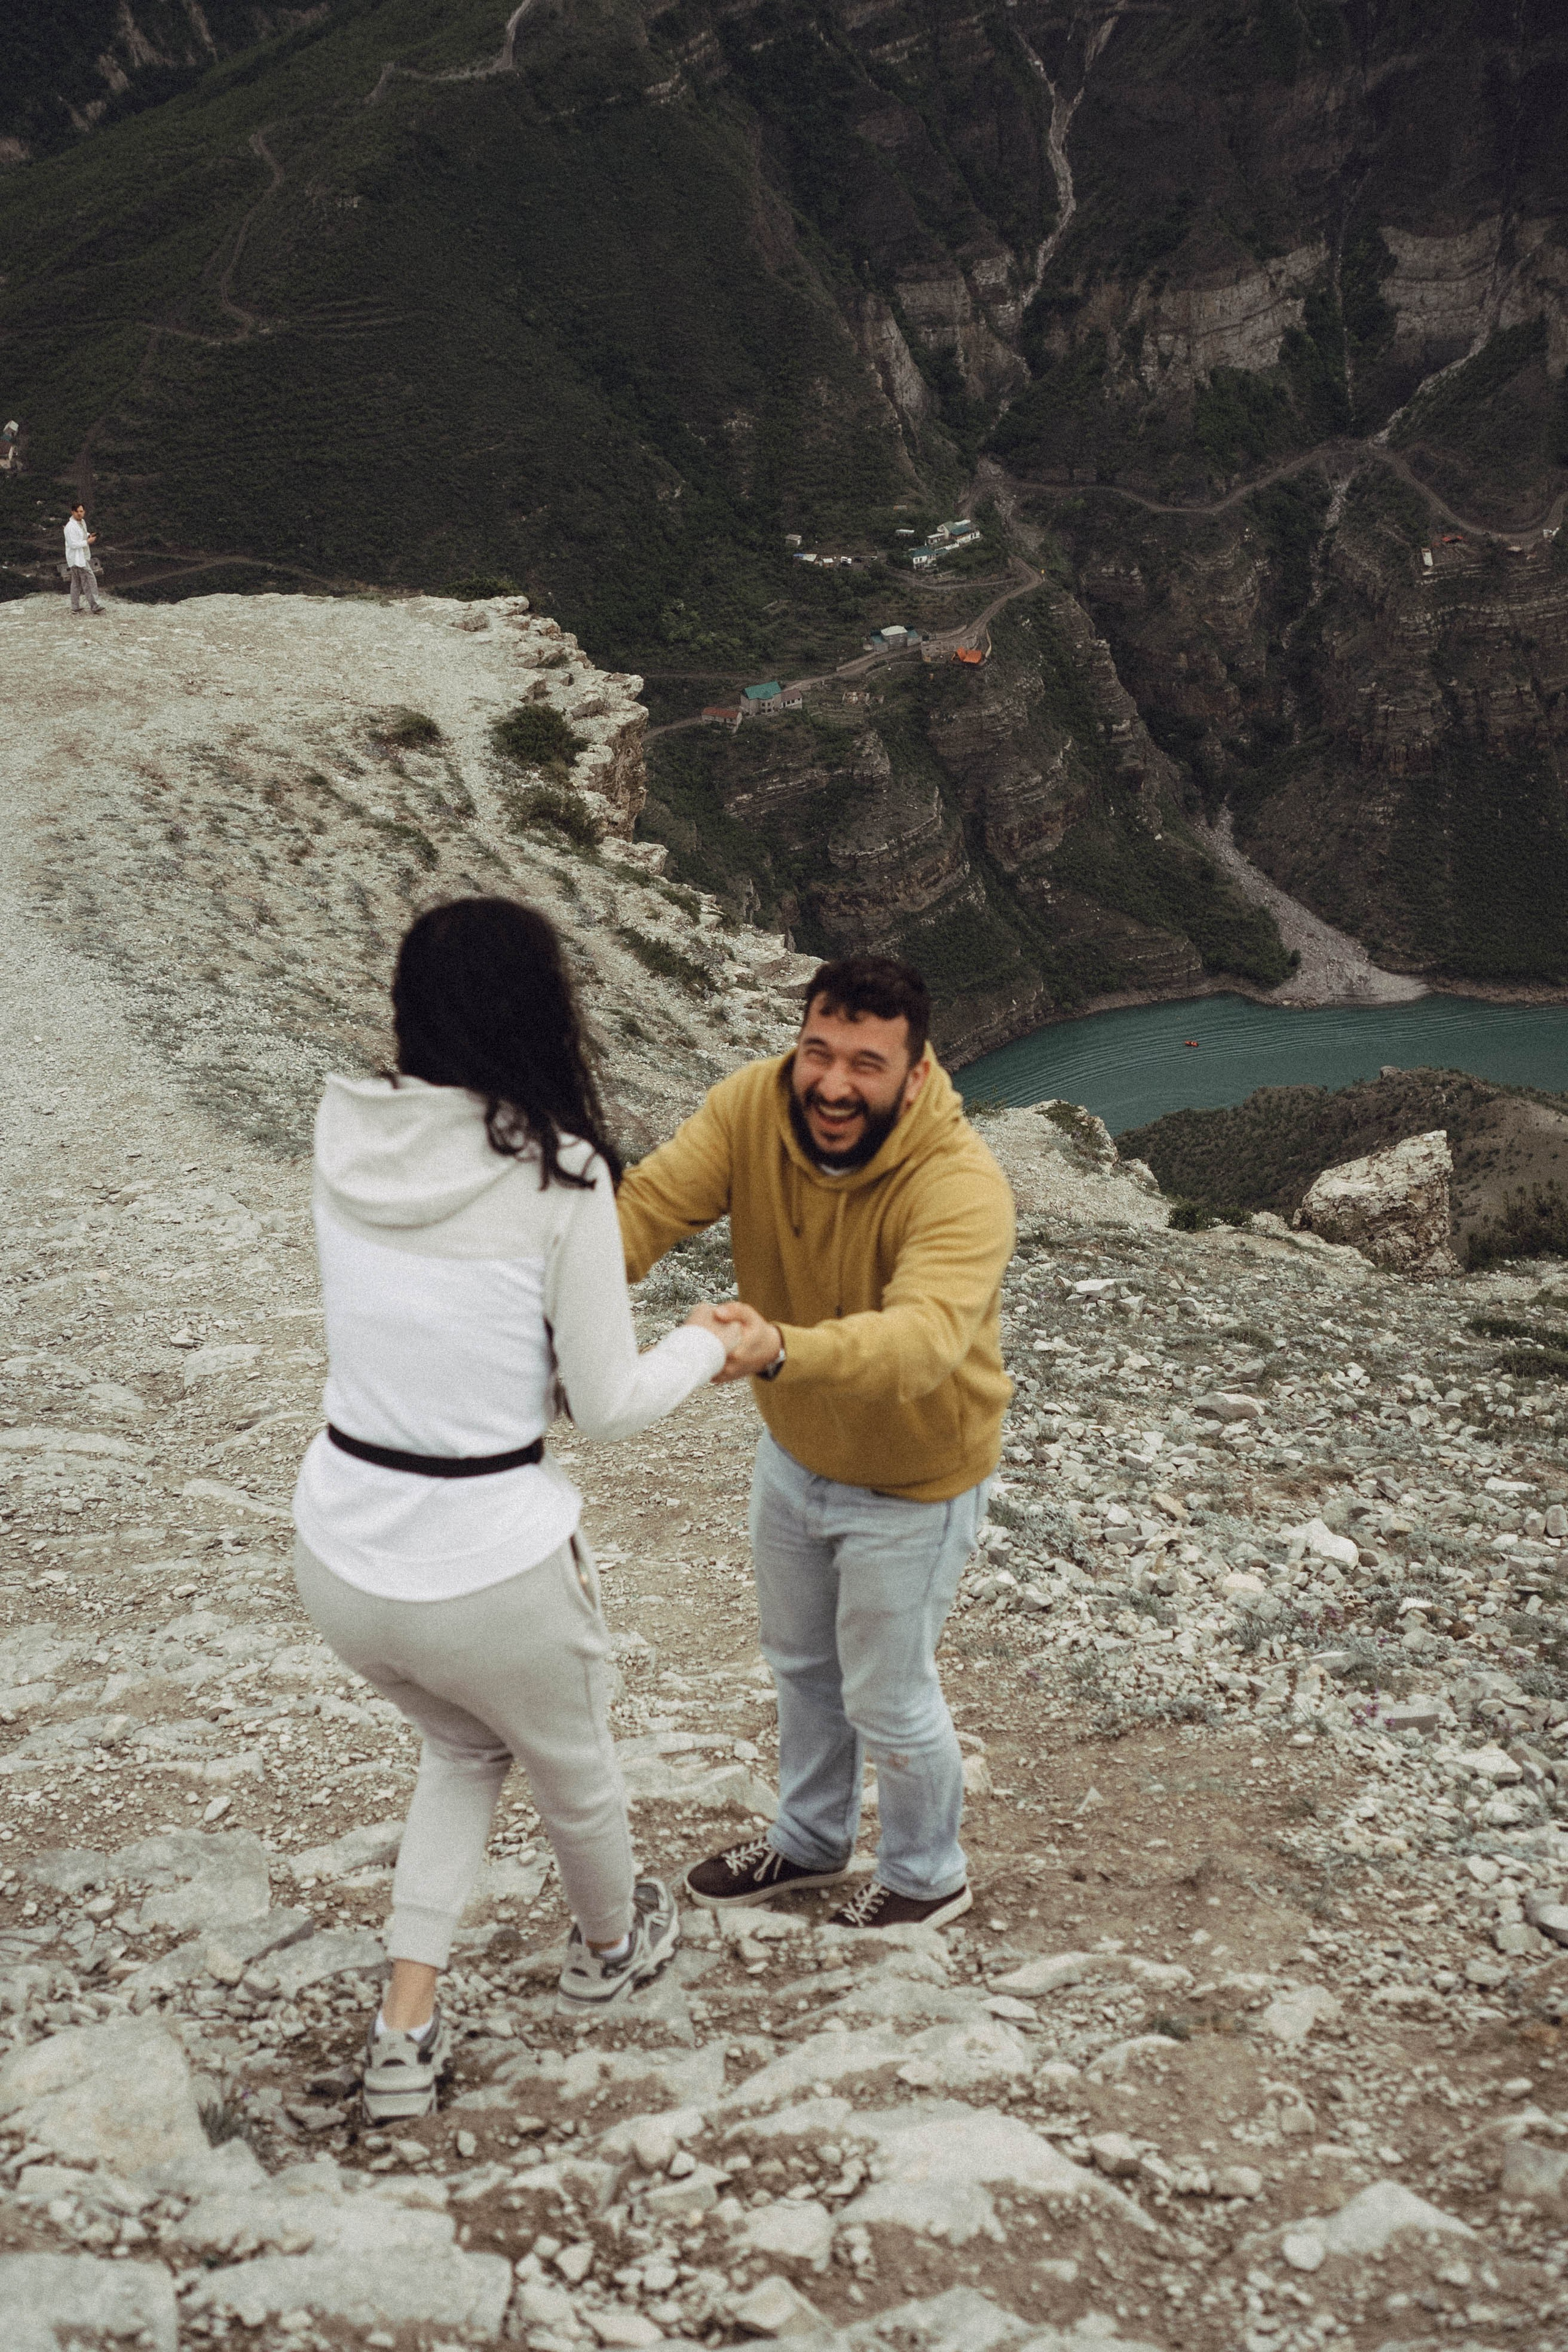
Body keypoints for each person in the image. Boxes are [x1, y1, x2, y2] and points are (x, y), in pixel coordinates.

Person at [292, 897, 736, 2121]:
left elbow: (428, 1331)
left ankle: (405, 2031)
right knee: (573, 1765)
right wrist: (705, 1344)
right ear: (541, 1012)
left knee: (460, 1745)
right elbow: (607, 1401)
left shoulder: (345, 1138)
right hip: (484, 1559)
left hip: (340, 1543)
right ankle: (610, 1951)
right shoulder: (558, 1171)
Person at [617, 954, 1015, 1933]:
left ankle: (927, 1874)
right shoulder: (752, 1108)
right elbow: (645, 1210)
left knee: (887, 1693)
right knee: (802, 1665)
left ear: (915, 1075)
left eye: (868, 1065)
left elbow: (921, 1343)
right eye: (818, 1052)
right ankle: (811, 1840)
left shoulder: (961, 1184)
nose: (835, 1085)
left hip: (914, 1480)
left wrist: (776, 1348)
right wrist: (545, 1306)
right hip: (796, 1456)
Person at [64, 502, 102, 614]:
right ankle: (95, 606)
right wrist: (87, 542)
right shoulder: (70, 527)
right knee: (90, 580)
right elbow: (73, 544)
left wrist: (89, 535)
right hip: (77, 559)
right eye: (77, 512)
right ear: (73, 512)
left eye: (82, 511)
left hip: (79, 558)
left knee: (76, 582)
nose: (80, 514)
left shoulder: (82, 522)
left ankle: (75, 607)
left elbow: (82, 534)